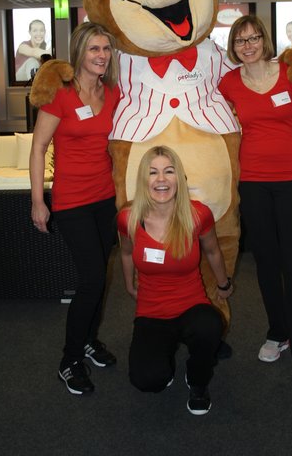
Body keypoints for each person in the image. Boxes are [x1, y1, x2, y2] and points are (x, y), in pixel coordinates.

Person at [219, 14, 292, 393]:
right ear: (234, 48)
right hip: (253, 183)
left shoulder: (289, 73)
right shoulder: (230, 82)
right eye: (240, 41)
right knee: (266, 265)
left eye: (253, 38)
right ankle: (278, 331)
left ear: (264, 40)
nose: (247, 45)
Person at [29, 21, 120, 396]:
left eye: (106, 49)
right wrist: (38, 200)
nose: (101, 56)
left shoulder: (112, 92)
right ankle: (69, 360)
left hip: (105, 199)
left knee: (100, 276)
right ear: (79, 52)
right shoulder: (61, 95)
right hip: (71, 202)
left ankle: (87, 339)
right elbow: (38, 148)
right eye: (94, 49)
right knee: (92, 279)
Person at [118, 145, 233, 416]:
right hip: (152, 310)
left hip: (191, 304)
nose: (161, 179)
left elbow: (213, 250)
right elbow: (125, 253)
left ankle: (197, 380)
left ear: (179, 178)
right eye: (153, 172)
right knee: (147, 380)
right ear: (143, 180)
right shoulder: (128, 217)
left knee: (210, 325)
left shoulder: (197, 214)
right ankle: (164, 353)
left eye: (169, 171)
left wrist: (223, 283)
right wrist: (129, 284)